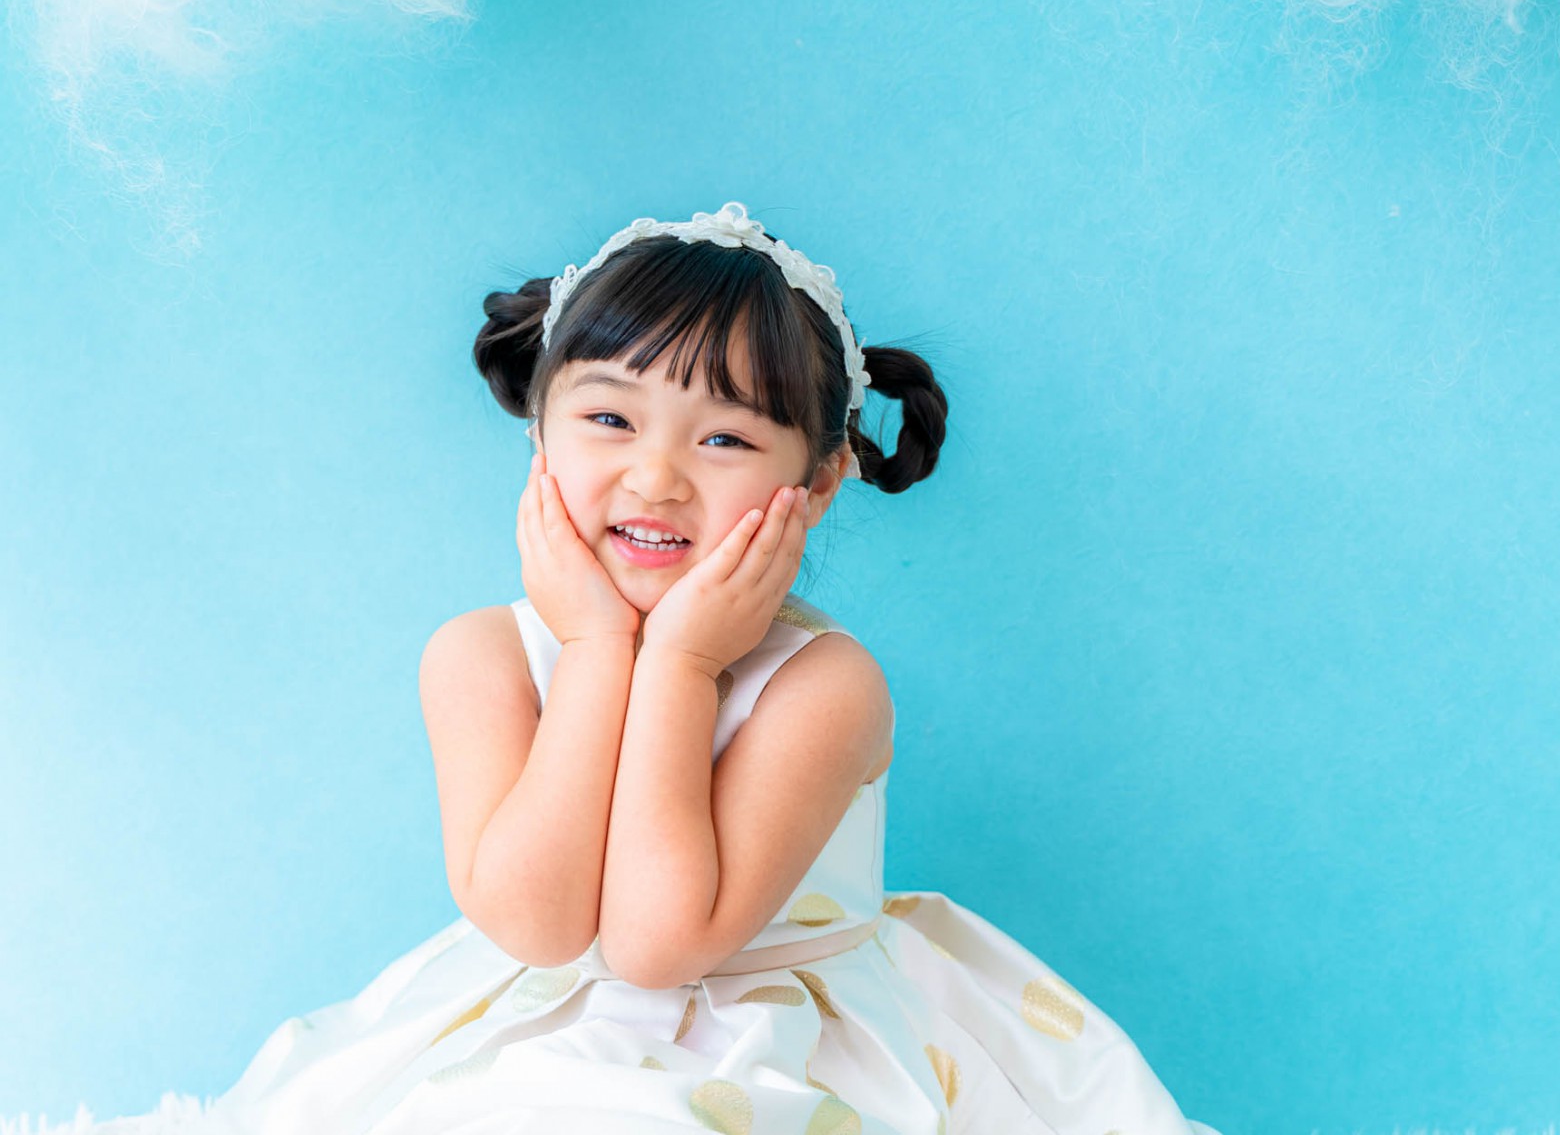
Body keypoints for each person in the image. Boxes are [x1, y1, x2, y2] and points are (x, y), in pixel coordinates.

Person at [8, 203, 1220, 1135]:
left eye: (726, 437)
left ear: (817, 483)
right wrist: (595, 651)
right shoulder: (483, 655)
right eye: (609, 419)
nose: (655, 478)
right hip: (537, 1009)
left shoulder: (824, 687)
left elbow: (658, 943)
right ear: (539, 431)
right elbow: (539, 924)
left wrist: (681, 663)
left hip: (774, 1034)